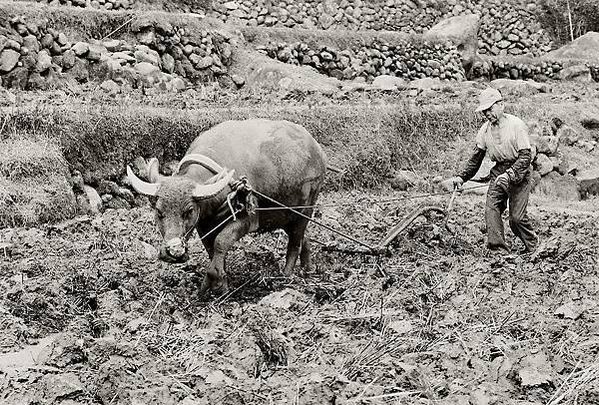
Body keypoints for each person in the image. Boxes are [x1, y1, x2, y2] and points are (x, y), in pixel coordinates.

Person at [444, 88, 538, 254]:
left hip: (519, 170)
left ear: (501, 105)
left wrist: (510, 174)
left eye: (490, 109)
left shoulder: (516, 125)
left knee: (516, 218)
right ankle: (498, 249)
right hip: (499, 169)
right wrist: (461, 177)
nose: (487, 114)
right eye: (484, 111)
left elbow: (526, 157)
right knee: (491, 208)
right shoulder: (484, 130)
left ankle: (533, 246)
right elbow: (476, 159)